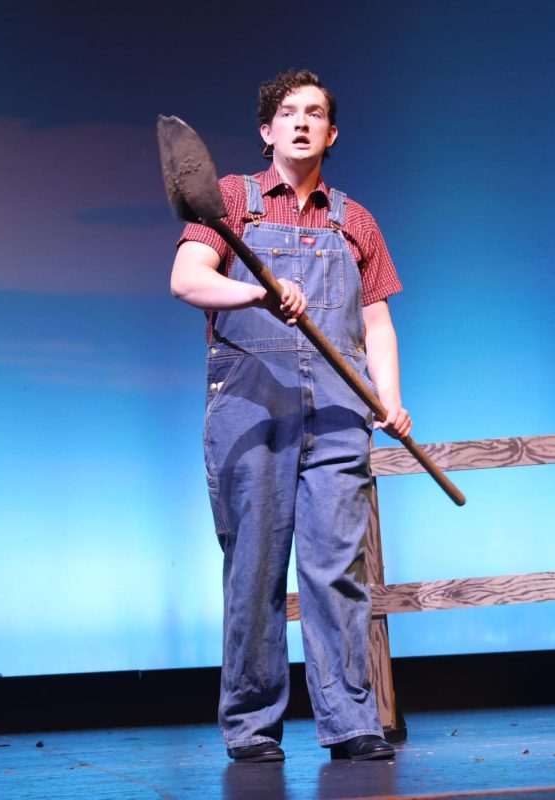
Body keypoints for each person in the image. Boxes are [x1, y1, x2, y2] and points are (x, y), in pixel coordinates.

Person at [169, 69, 410, 762]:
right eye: (288, 112)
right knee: (255, 567)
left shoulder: (355, 219)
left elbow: (377, 320)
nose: (301, 122)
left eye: (315, 114)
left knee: (337, 569)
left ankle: (351, 721)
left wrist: (388, 399)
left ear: (331, 135)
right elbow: (188, 278)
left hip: (338, 413)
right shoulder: (231, 201)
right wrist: (256, 297)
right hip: (252, 406)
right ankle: (250, 725)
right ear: (267, 130)